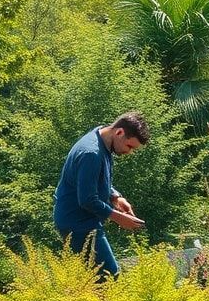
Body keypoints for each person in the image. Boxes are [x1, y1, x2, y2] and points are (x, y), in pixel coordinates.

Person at [53, 112, 149, 278]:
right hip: (77, 223)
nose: (129, 152)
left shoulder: (101, 139)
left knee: (93, 280)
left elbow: (94, 180)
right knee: (108, 278)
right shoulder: (92, 153)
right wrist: (119, 218)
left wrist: (115, 197)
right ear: (119, 132)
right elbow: (87, 200)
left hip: (82, 221)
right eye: (130, 146)